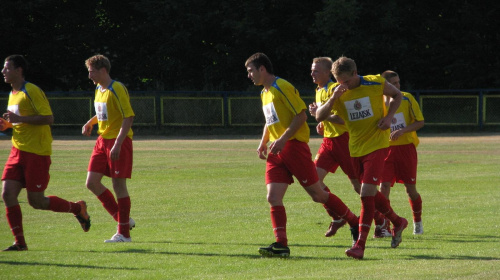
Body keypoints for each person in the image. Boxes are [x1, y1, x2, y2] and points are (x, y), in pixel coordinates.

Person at [245, 52, 359, 258]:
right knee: (272, 197)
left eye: (251, 70)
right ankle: (281, 245)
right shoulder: (265, 92)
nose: (249, 75)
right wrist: (264, 142)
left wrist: (282, 139)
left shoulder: (282, 86)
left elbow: (301, 115)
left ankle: (353, 221)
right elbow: (270, 121)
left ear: (262, 69)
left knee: (318, 195)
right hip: (277, 151)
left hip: (294, 148)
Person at [316, 56, 408, 259]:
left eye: (347, 81)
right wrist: (332, 99)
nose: (344, 86)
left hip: (378, 144)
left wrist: (389, 117)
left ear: (355, 73)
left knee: (365, 192)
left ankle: (360, 245)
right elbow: (320, 116)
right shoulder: (336, 91)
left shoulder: (374, 82)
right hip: (355, 147)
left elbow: (397, 95)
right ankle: (397, 220)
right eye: (340, 81)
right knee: (368, 191)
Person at [0, 55, 90, 251]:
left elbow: (48, 118)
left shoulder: (31, 90)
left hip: (37, 153)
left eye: (7, 68)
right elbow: (19, 120)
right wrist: (9, 124)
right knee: (7, 194)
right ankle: (20, 243)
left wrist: (19, 118)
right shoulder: (12, 93)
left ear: (19, 70)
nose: (3, 72)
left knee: (37, 201)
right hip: (17, 151)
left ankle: (77, 208)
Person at [82, 54, 135, 243]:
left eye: (92, 71)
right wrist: (90, 122)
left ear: (103, 70)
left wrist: (119, 143)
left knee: (118, 185)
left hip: (117, 141)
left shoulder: (117, 88)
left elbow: (128, 117)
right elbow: (102, 112)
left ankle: (124, 234)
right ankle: (123, 220)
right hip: (102, 140)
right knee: (91, 182)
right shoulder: (99, 88)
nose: (90, 76)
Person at [308, 57, 361, 238]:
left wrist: (322, 116)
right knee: (313, 180)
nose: (312, 73)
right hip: (328, 142)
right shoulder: (319, 90)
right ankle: (337, 217)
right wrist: (322, 124)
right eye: (312, 70)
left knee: (358, 186)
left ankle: (381, 219)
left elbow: (343, 120)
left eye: (316, 70)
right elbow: (329, 118)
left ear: (327, 72)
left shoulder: (336, 90)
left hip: (344, 141)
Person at [379, 70, 424, 235]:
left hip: (406, 150)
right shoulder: (377, 101)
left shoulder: (407, 98)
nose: (398, 86)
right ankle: (385, 226)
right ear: (385, 86)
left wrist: (403, 131)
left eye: (398, 82)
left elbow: (420, 122)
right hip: (384, 150)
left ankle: (417, 222)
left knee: (410, 189)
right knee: (383, 188)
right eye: (393, 84)